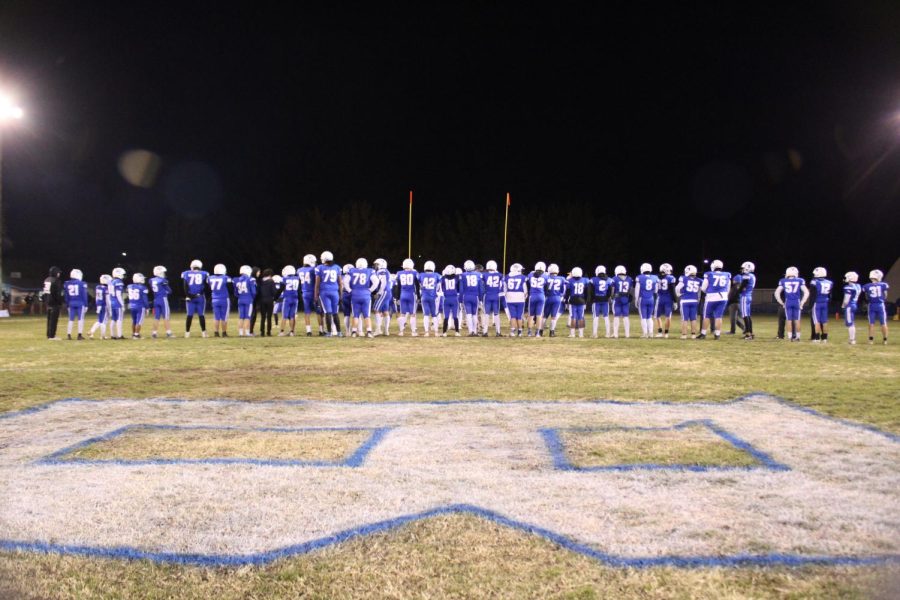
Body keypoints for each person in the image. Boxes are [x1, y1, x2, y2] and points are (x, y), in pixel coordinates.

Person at [345, 258, 379, 337]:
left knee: (355, 315)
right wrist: (370, 290)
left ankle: (353, 332)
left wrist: (349, 290)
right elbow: (376, 281)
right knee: (367, 315)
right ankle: (369, 332)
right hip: (365, 295)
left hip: (355, 294)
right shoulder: (370, 271)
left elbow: (345, 281)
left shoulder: (352, 270)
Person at [775, 266, 809, 342]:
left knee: (789, 320)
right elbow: (806, 292)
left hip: (788, 302)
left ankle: (790, 337)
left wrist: (781, 302)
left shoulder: (783, 281)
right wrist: (802, 302)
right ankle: (798, 337)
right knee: (797, 320)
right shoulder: (800, 280)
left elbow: (776, 293)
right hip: (797, 301)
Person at [699, 259, 731, 340]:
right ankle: (717, 335)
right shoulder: (727, 275)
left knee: (706, 316)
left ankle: (703, 333)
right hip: (723, 297)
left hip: (711, 297)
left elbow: (703, 288)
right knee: (719, 317)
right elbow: (728, 288)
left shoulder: (709, 274)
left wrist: (709, 292)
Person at [314, 251, 343, 338]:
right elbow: (340, 283)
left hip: (324, 292)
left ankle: (329, 332)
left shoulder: (320, 268)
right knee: (335, 313)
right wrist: (341, 295)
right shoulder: (337, 267)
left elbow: (317, 284)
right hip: (335, 292)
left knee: (328, 312)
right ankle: (339, 332)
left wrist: (315, 295)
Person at [181, 259, 209, 338]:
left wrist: (188, 295)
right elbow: (206, 286)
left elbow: (185, 286)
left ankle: (187, 333)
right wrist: (199, 293)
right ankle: (204, 333)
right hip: (200, 297)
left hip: (190, 298)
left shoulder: (186, 273)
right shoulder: (204, 273)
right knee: (201, 315)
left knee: (189, 315)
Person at [862, 269, 889, 345]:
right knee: (883, 323)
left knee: (871, 323)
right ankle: (885, 340)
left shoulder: (867, 286)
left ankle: (871, 340)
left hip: (872, 305)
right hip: (880, 305)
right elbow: (885, 295)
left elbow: (866, 297)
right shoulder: (883, 285)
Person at [299, 254, 324, 336]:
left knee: (307, 312)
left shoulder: (299, 270)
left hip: (304, 293)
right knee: (319, 312)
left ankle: (308, 331)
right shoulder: (314, 269)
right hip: (313, 292)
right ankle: (321, 330)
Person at [676, 265, 701, 339]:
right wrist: (698, 299)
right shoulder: (699, 280)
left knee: (684, 318)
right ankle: (693, 334)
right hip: (694, 300)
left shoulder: (683, 278)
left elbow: (677, 288)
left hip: (685, 300)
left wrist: (679, 294)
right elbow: (700, 291)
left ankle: (684, 335)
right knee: (693, 318)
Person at [396, 258, 420, 336]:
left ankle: (401, 331)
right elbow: (417, 286)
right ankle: (413, 332)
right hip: (411, 295)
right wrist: (418, 296)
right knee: (412, 314)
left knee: (402, 314)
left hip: (402, 295)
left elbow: (398, 287)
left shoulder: (399, 273)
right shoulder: (414, 273)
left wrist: (397, 298)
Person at [634, 263, 658, 339]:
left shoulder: (639, 277)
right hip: (651, 299)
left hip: (643, 299)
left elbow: (637, 290)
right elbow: (656, 290)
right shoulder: (654, 277)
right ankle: (651, 333)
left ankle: (645, 333)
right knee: (649, 317)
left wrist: (636, 299)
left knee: (643, 317)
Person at [63, 268, 89, 340]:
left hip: (71, 303)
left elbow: (66, 295)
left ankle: (69, 335)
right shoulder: (82, 283)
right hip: (80, 303)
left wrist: (67, 304)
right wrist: (86, 305)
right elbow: (84, 295)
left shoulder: (67, 283)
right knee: (80, 319)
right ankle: (79, 335)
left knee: (71, 319)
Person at [809, 267, 833, 343]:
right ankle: (825, 338)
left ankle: (817, 338)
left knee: (817, 321)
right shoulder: (830, 282)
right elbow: (830, 295)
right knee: (824, 321)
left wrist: (810, 306)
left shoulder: (814, 282)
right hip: (825, 303)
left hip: (817, 303)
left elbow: (812, 295)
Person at [460, 260, 483, 336]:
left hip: (466, 296)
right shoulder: (478, 275)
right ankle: (475, 331)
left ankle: (471, 331)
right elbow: (480, 288)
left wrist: (460, 300)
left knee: (468, 314)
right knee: (474, 314)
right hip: (475, 296)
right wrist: (481, 299)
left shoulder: (463, 275)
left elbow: (461, 289)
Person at [418, 261, 441, 336]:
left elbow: (419, 285)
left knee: (426, 315)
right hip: (433, 297)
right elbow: (438, 287)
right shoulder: (436, 275)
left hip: (424, 297)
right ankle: (436, 332)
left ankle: (426, 332)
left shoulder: (421, 275)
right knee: (434, 315)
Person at [149, 266, 174, 339]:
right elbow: (169, 291)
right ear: (159, 272)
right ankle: (169, 333)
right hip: (163, 299)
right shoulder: (163, 280)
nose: (164, 274)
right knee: (166, 317)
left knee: (156, 317)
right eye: (163, 272)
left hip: (156, 299)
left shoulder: (151, 280)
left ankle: (154, 333)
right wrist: (165, 292)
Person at [565, 267, 590, 338]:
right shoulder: (585, 280)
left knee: (573, 317)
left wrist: (566, 301)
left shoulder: (570, 280)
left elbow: (568, 292)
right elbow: (586, 292)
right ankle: (581, 334)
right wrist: (585, 301)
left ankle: (572, 333)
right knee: (581, 317)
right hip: (581, 300)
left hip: (573, 300)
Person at [209, 264, 233, 337]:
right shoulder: (226, 278)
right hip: (224, 299)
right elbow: (230, 288)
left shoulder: (210, 278)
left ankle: (216, 332)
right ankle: (224, 333)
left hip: (214, 299)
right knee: (224, 317)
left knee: (216, 317)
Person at [543, 264, 566, 337]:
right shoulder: (561, 278)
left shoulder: (546, 277)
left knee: (544, 316)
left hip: (548, 297)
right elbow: (563, 290)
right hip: (557, 298)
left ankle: (540, 331)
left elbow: (543, 288)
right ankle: (551, 332)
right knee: (554, 316)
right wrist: (561, 296)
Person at [482, 260, 504, 336]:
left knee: (486, 314)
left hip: (487, 295)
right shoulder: (500, 275)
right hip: (496, 295)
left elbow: (482, 285)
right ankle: (498, 332)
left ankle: (485, 332)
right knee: (496, 314)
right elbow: (501, 285)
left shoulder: (484, 275)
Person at [42, 266, 64, 340]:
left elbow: (44, 292)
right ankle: (52, 336)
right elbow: (57, 294)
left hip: (48, 302)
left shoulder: (46, 280)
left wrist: (46, 300)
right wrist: (60, 302)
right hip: (54, 303)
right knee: (54, 320)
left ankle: (49, 335)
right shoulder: (56, 281)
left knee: (49, 320)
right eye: (58, 273)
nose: (59, 274)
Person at [526, 262, 548, 337]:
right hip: (541, 296)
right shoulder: (545, 276)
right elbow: (547, 287)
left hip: (532, 296)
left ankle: (529, 332)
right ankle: (537, 332)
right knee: (539, 315)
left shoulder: (530, 275)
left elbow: (528, 282)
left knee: (531, 315)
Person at [234, 265, 257, 337]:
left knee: (241, 317)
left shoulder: (237, 280)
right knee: (247, 317)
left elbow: (236, 293)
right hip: (248, 299)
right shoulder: (250, 279)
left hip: (240, 299)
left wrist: (240, 296)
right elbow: (254, 292)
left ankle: (240, 333)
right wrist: (252, 298)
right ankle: (247, 332)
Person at [590, 266, 612, 338]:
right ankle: (608, 333)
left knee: (596, 317)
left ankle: (595, 334)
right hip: (605, 300)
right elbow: (609, 291)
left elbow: (591, 291)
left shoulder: (593, 279)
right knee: (606, 317)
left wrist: (592, 299)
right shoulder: (609, 279)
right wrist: (607, 297)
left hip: (596, 300)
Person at [654, 263, 676, 338]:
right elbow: (673, 290)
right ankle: (666, 333)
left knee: (657, 316)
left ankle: (660, 332)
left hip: (660, 298)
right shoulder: (671, 278)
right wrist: (675, 301)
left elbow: (655, 290)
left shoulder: (657, 278)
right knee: (668, 316)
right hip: (668, 299)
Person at [735, 261, 756, 340]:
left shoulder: (747, 276)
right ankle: (751, 332)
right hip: (749, 296)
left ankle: (748, 334)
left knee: (745, 315)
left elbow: (743, 285)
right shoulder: (752, 276)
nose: (742, 270)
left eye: (743, 268)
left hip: (744, 296)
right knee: (748, 315)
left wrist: (738, 290)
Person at [439, 264, 461, 336]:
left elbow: (442, 288)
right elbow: (458, 287)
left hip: (446, 299)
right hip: (454, 299)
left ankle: (444, 332)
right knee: (455, 316)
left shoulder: (442, 278)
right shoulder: (457, 277)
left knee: (446, 316)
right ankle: (457, 332)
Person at [372, 258, 392, 336]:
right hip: (387, 292)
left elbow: (383, 282)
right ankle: (386, 331)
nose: (375, 266)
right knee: (385, 311)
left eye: (377, 264)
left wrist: (379, 292)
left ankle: (378, 329)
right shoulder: (386, 271)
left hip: (383, 292)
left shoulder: (382, 271)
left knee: (376, 309)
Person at [611, 265, 633, 338]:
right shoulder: (629, 279)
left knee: (616, 316)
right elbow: (630, 290)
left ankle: (616, 334)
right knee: (626, 316)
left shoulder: (614, 279)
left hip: (617, 298)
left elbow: (613, 290)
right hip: (625, 299)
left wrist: (612, 296)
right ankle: (627, 334)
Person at [841, 271, 862, 345]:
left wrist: (843, 305)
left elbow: (846, 299)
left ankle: (852, 340)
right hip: (854, 304)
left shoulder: (848, 287)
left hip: (849, 306)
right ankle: (852, 339)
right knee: (851, 322)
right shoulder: (858, 286)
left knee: (850, 323)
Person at [279, 265, 300, 336]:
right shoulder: (297, 278)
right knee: (292, 316)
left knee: (284, 316)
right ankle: (292, 332)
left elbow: (281, 289)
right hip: (295, 298)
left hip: (287, 298)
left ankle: (282, 332)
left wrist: (275, 297)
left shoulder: (284, 279)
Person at [126, 273, 149, 338]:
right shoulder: (143, 287)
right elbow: (145, 299)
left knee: (134, 321)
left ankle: (133, 334)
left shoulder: (129, 286)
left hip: (132, 305)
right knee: (139, 321)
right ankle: (136, 335)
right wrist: (147, 307)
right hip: (140, 306)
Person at [88, 274, 110, 340]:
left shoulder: (98, 287)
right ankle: (103, 336)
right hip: (104, 305)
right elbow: (107, 300)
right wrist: (110, 308)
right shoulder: (106, 289)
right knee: (103, 322)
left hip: (98, 305)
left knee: (100, 320)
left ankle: (91, 331)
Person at [256, 269, 277, 336]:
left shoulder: (261, 281)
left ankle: (262, 332)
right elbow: (274, 292)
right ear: (270, 274)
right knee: (269, 317)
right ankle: (268, 332)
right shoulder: (271, 281)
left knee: (263, 317)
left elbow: (258, 291)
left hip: (262, 300)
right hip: (269, 300)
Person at [108, 267, 127, 340]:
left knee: (113, 319)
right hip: (117, 302)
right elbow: (118, 294)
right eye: (122, 274)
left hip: (111, 302)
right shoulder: (118, 282)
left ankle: (112, 335)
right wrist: (122, 304)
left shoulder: (111, 281)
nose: (123, 275)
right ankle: (120, 335)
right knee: (119, 319)